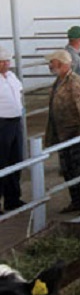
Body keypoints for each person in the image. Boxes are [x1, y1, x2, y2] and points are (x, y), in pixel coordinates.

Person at [44, 49, 80, 214]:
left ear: (62, 64)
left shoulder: (75, 82)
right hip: (63, 134)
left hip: (75, 134)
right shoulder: (60, 81)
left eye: (53, 62)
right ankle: (76, 201)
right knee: (68, 169)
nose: (50, 65)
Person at [0, 46, 25, 214]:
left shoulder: (11, 76)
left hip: (15, 122)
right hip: (1, 123)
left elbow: (20, 92)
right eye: (2, 61)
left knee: (15, 159)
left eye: (7, 61)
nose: (6, 64)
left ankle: (13, 198)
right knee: (1, 161)